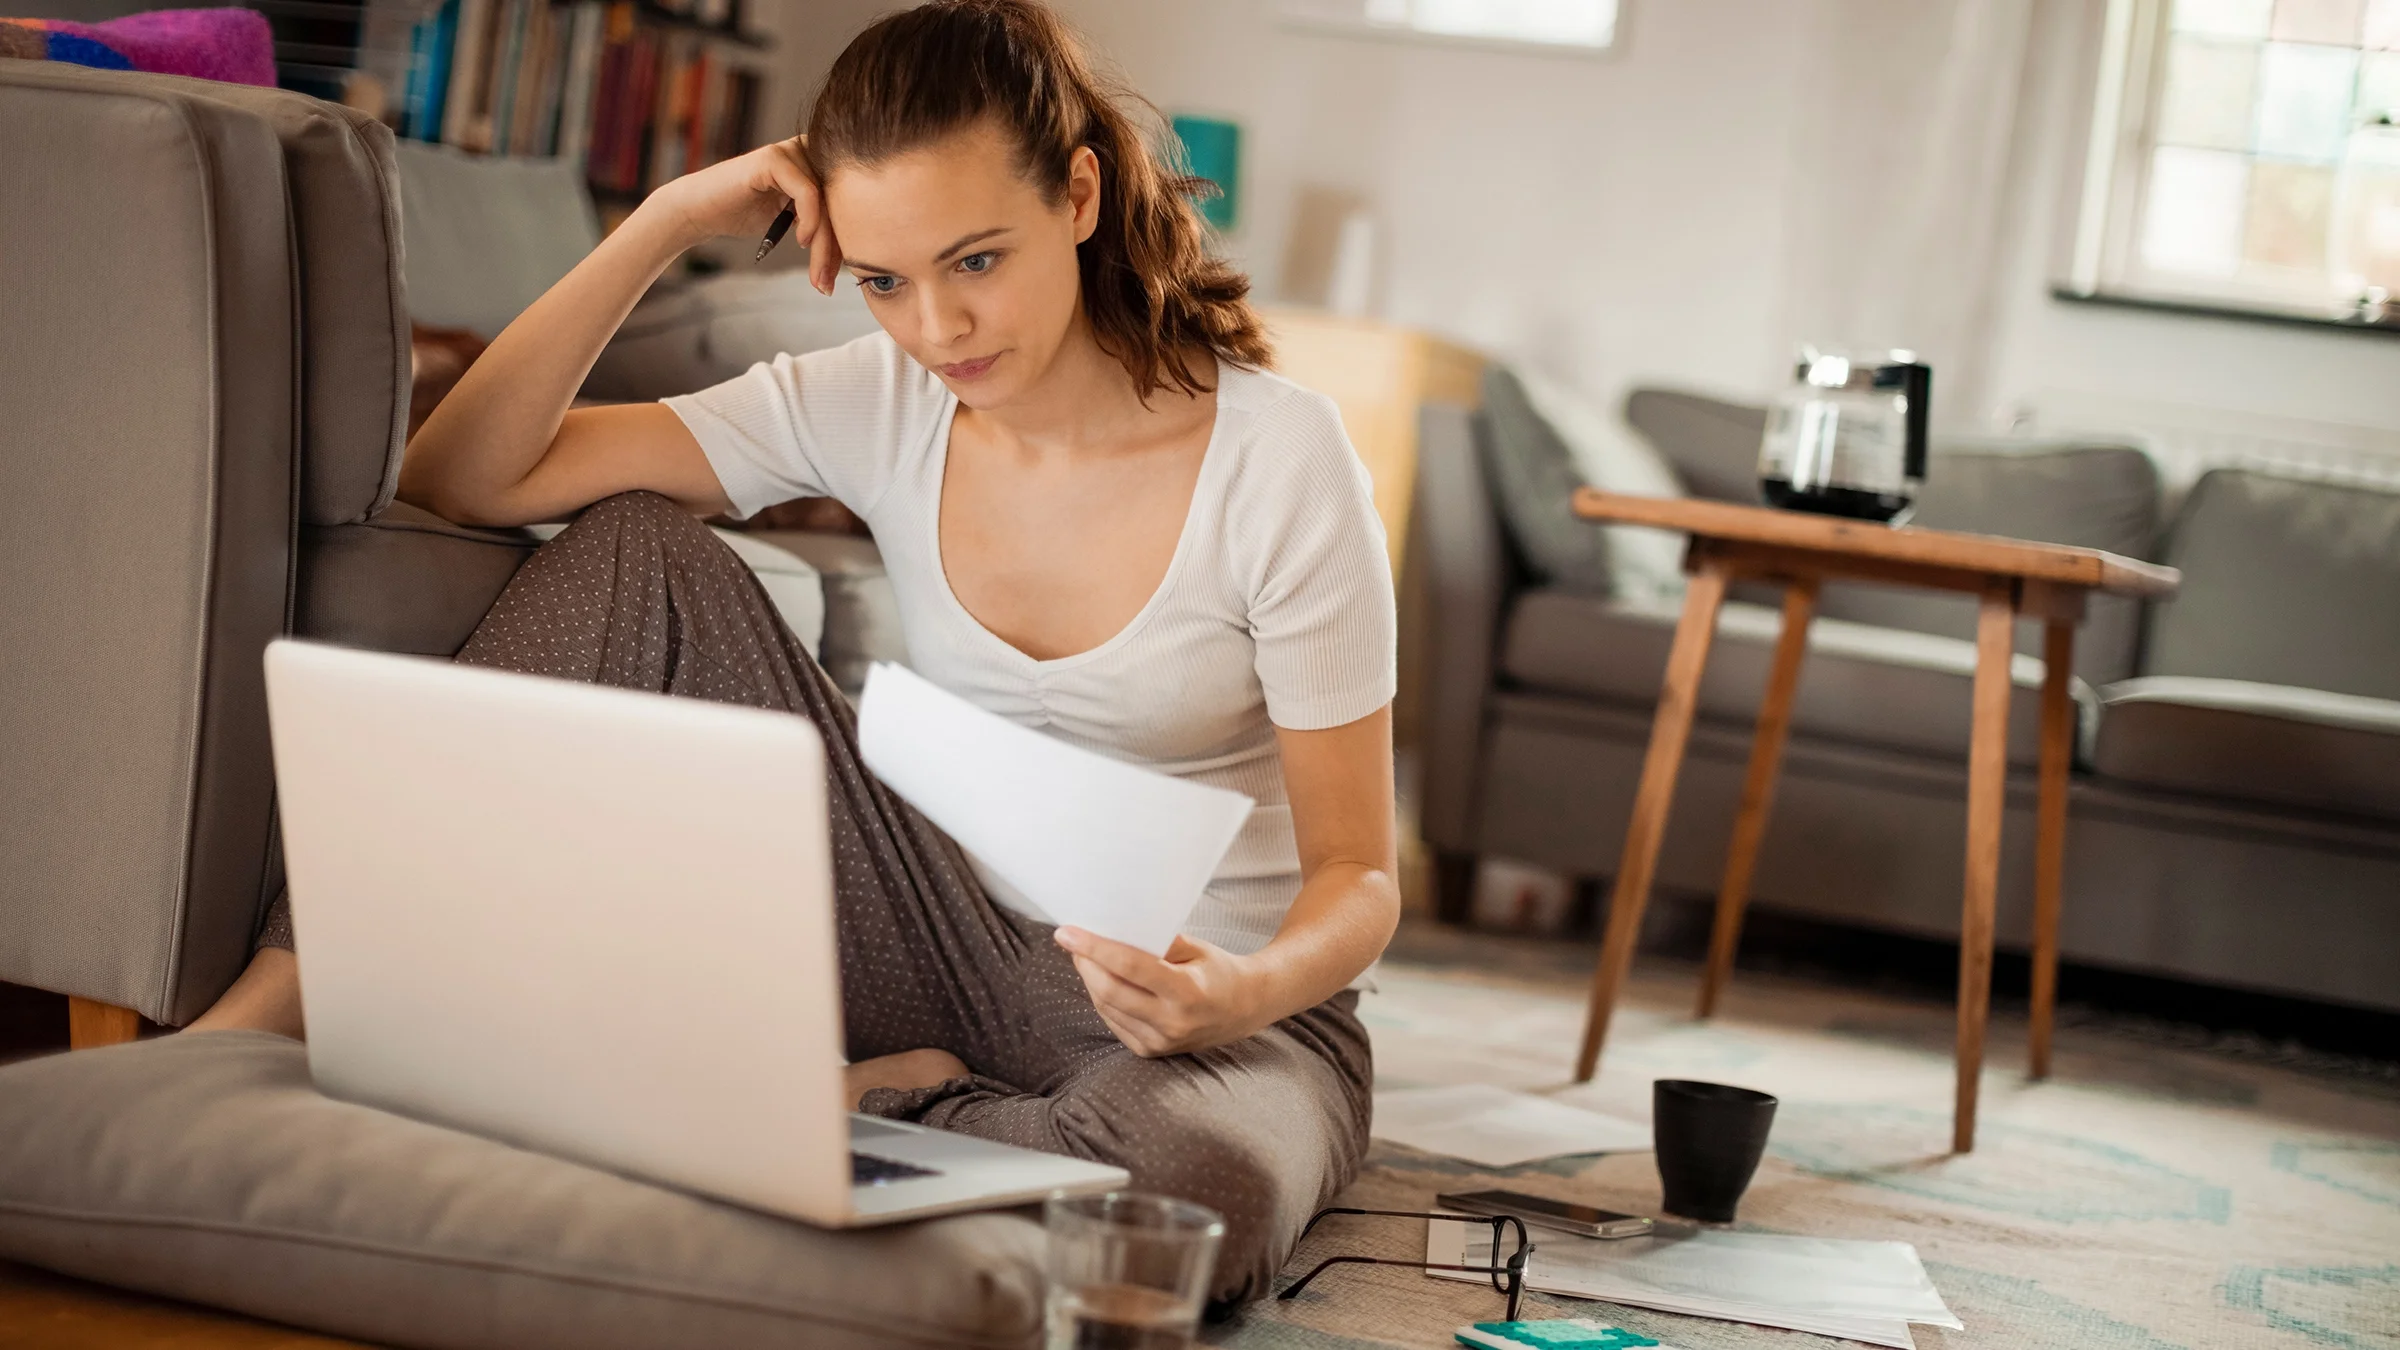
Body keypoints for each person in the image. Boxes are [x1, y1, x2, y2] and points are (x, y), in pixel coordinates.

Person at [190, 0, 1396, 1307]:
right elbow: (463, 474)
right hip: (936, 924)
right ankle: (286, 993)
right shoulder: (874, 397)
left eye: (976, 259)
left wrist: (1239, 991)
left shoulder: (1281, 461)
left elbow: (1358, 873)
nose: (938, 327)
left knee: (1189, 1198)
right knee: (636, 545)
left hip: (1208, 1009)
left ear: (1082, 196)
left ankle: (863, 1104)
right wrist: (658, 224)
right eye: (884, 281)